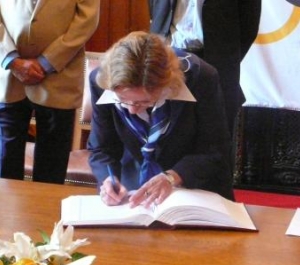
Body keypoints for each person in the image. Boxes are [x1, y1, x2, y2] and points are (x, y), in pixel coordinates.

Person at [88, 31, 234, 208]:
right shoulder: (100, 81)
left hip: (196, 188)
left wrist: (172, 177)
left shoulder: (201, 77)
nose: (132, 110)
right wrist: (108, 180)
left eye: (145, 102)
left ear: (167, 85)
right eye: (122, 101)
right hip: (134, 192)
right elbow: (102, 148)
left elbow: (215, 149)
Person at [0, 0, 100, 184]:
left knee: (51, 168)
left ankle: (47, 213)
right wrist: (10, 59)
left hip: (60, 76)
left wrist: (47, 62)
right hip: (9, 78)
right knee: (4, 164)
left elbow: (87, 21)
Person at [148, 0, 261, 137]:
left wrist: (225, 59)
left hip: (215, 60)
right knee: (167, 135)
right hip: (168, 57)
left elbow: (249, 25)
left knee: (216, 135)